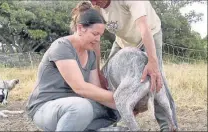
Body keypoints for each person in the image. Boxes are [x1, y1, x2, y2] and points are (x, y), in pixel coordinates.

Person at [26, 2, 121, 131]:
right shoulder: (62, 46)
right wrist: (121, 98)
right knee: (81, 108)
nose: (98, 39)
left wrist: (124, 105)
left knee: (117, 111)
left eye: (100, 35)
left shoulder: (91, 54)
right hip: (45, 108)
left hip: (76, 107)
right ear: (81, 28)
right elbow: (80, 88)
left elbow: (95, 89)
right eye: (95, 34)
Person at [89, 0, 178, 131]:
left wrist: (153, 62)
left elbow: (144, 28)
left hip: (148, 36)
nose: (94, 2)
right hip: (123, 41)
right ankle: (112, 120)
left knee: (156, 80)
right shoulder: (96, 6)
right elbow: (95, 39)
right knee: (106, 78)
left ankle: (169, 126)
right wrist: (97, 72)